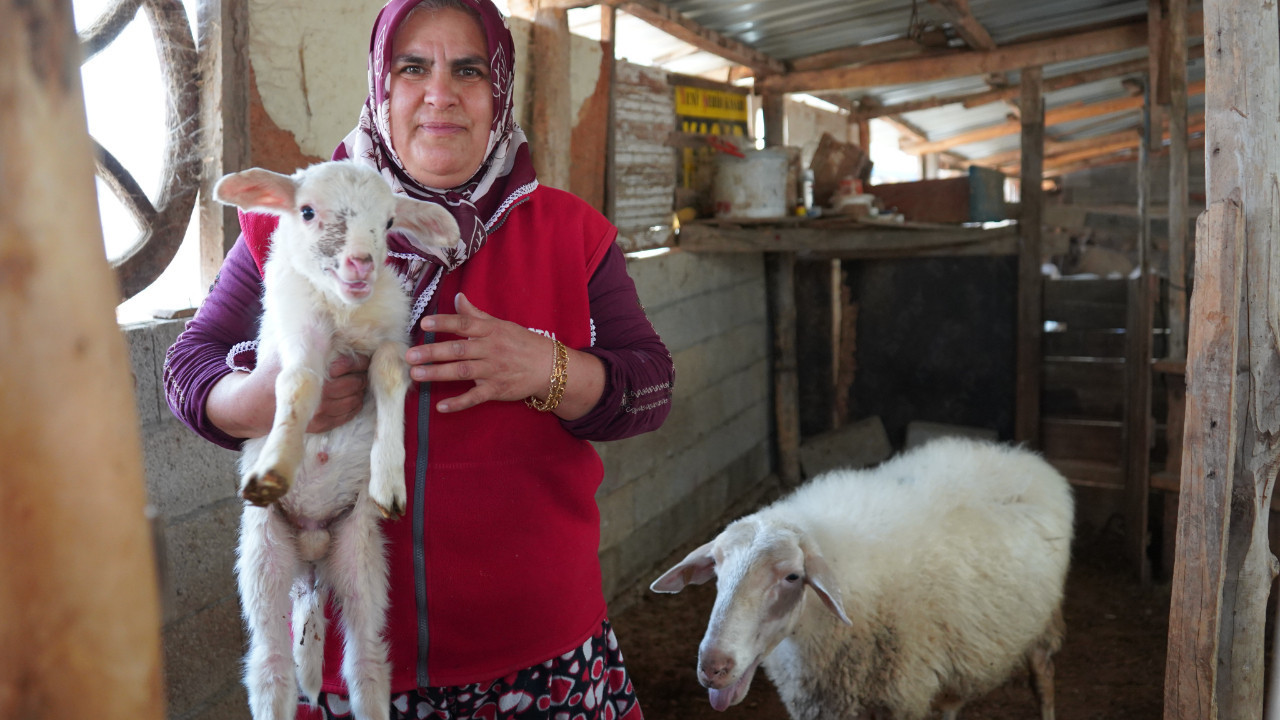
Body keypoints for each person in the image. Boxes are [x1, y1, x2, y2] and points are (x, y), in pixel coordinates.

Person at [163, 0, 674, 717]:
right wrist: (263, 398)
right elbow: (187, 368)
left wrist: (552, 371)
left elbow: (652, 387)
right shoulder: (301, 217)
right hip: (352, 664)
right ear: (380, 84)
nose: (440, 93)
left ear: (499, 89)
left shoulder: (569, 233)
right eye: (413, 68)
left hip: (538, 656)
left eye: (468, 70)